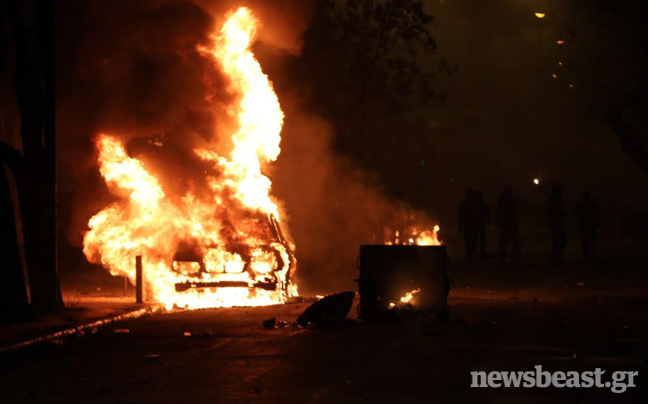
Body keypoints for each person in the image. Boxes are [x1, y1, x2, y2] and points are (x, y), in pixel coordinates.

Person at [496, 184, 520, 266]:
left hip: (507, 224)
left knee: (505, 243)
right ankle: (512, 259)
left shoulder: (504, 199)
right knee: (509, 242)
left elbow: (499, 212)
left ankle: (505, 259)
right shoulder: (508, 199)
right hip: (508, 224)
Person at [575, 191, 601, 259]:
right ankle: (591, 253)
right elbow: (598, 213)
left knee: (587, 240)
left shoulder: (581, 204)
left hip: (586, 224)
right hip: (589, 224)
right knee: (591, 240)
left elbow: (576, 214)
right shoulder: (592, 204)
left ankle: (587, 254)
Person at [547, 184, 567, 264]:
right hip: (556, 222)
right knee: (562, 239)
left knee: (557, 240)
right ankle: (556, 255)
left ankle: (556, 255)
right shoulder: (555, 200)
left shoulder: (553, 199)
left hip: (555, 222)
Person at [458, 188, 477, 260]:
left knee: (470, 240)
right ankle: (469, 254)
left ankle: (470, 254)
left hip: (471, 224)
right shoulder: (469, 204)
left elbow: (460, 215)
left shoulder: (470, 203)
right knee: (469, 240)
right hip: (468, 224)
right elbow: (460, 215)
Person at [474, 190, 491, 258]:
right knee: (480, 237)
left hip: (479, 222)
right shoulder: (481, 203)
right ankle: (480, 250)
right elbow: (487, 213)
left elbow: (487, 213)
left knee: (479, 237)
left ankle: (479, 250)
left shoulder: (475, 204)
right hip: (478, 222)